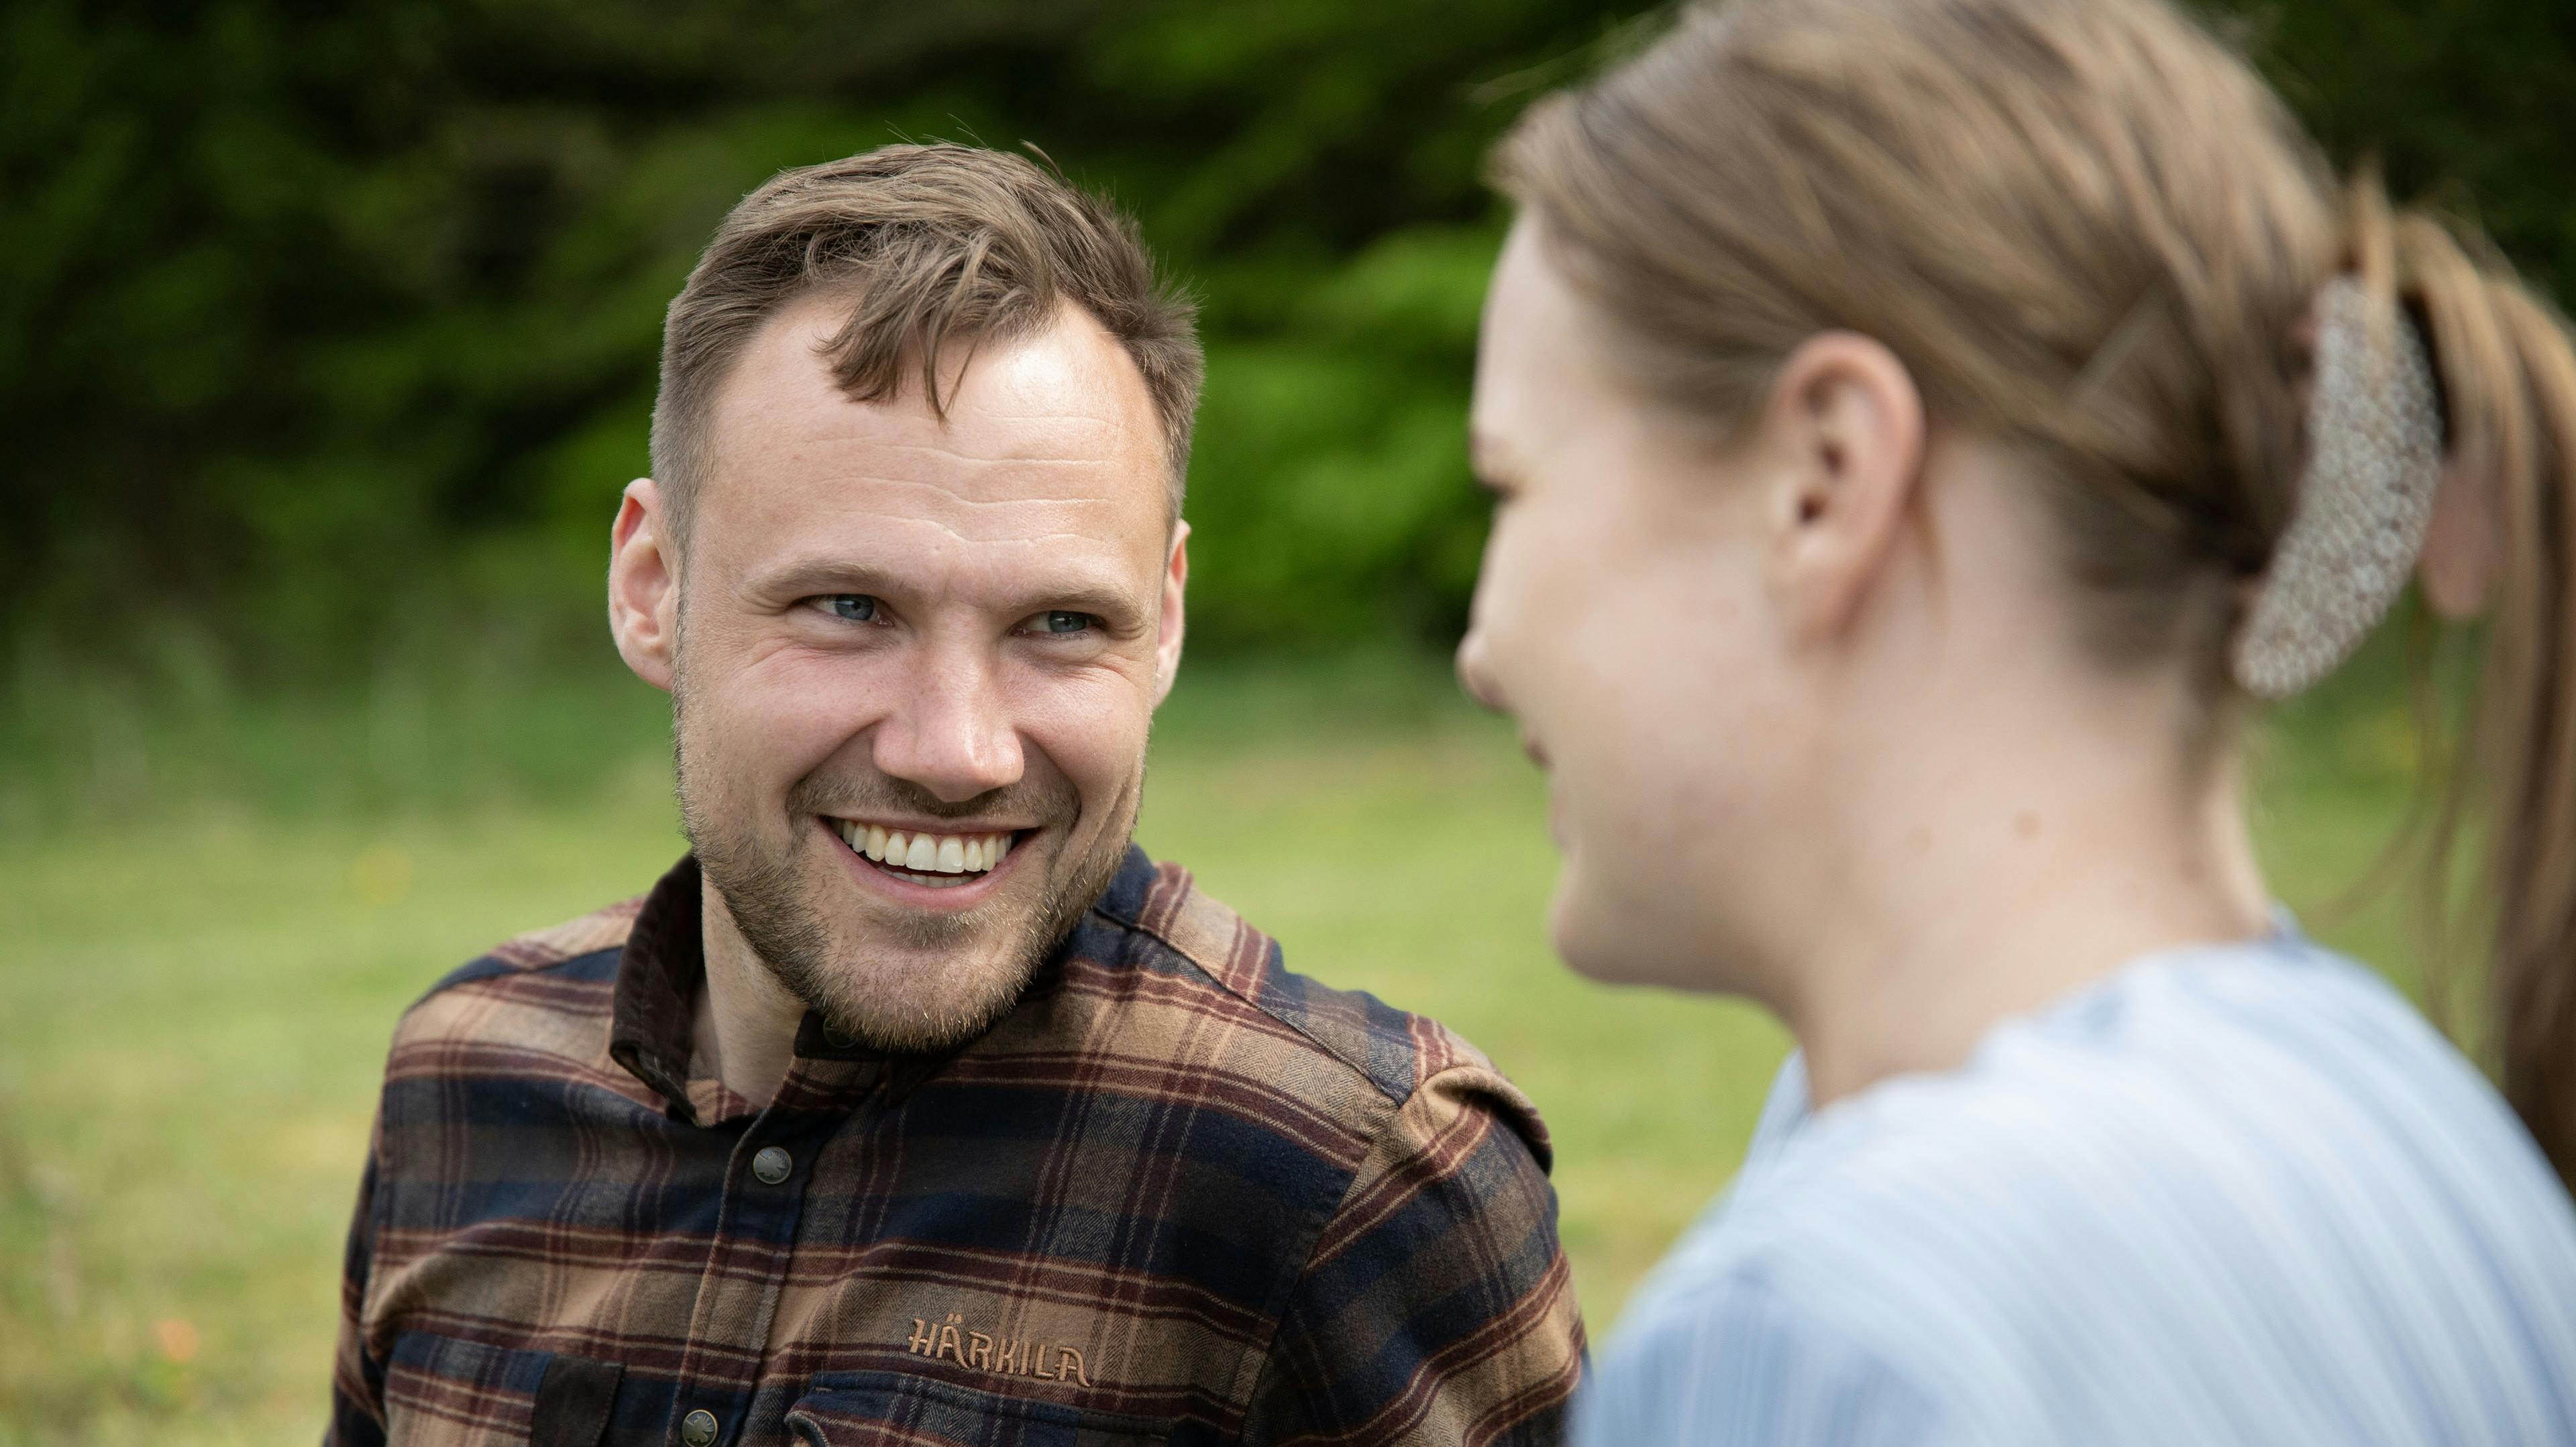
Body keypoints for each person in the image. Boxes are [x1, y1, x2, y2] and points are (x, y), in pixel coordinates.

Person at [326, 144, 1583, 1447]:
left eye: (1057, 621)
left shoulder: (1350, 1190)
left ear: (1164, 621)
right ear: (653, 584)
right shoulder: (462, 1077)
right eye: (850, 607)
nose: (959, 749)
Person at [1454, 0, 2576, 1440]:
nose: (1487, 645)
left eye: (1517, 485)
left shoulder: (1825, 1335)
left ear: (1826, 477)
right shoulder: (2441, 1152)